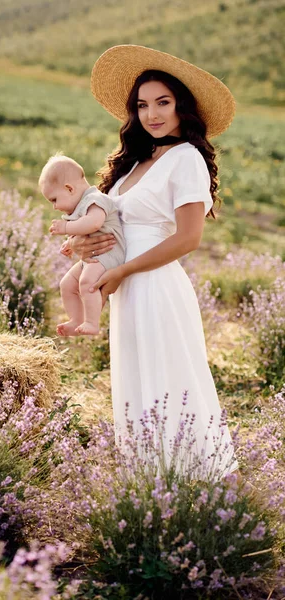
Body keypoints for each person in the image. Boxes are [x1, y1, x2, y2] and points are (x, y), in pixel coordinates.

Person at [68, 45, 238, 476]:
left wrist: (123, 269)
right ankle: (149, 483)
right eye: (142, 105)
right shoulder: (137, 162)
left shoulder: (187, 159)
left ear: (183, 106)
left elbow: (189, 238)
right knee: (138, 381)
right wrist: (86, 249)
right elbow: (115, 223)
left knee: (171, 379)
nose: (152, 114)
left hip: (156, 284)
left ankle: (198, 483)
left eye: (163, 102)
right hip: (127, 288)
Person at [39, 154, 125, 336]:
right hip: (97, 256)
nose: (54, 207)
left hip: (111, 252)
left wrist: (66, 227)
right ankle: (76, 319)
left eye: (54, 200)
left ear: (69, 188)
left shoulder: (96, 200)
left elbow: (93, 224)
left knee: (86, 281)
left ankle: (92, 323)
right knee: (67, 284)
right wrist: (70, 242)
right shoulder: (79, 205)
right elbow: (83, 231)